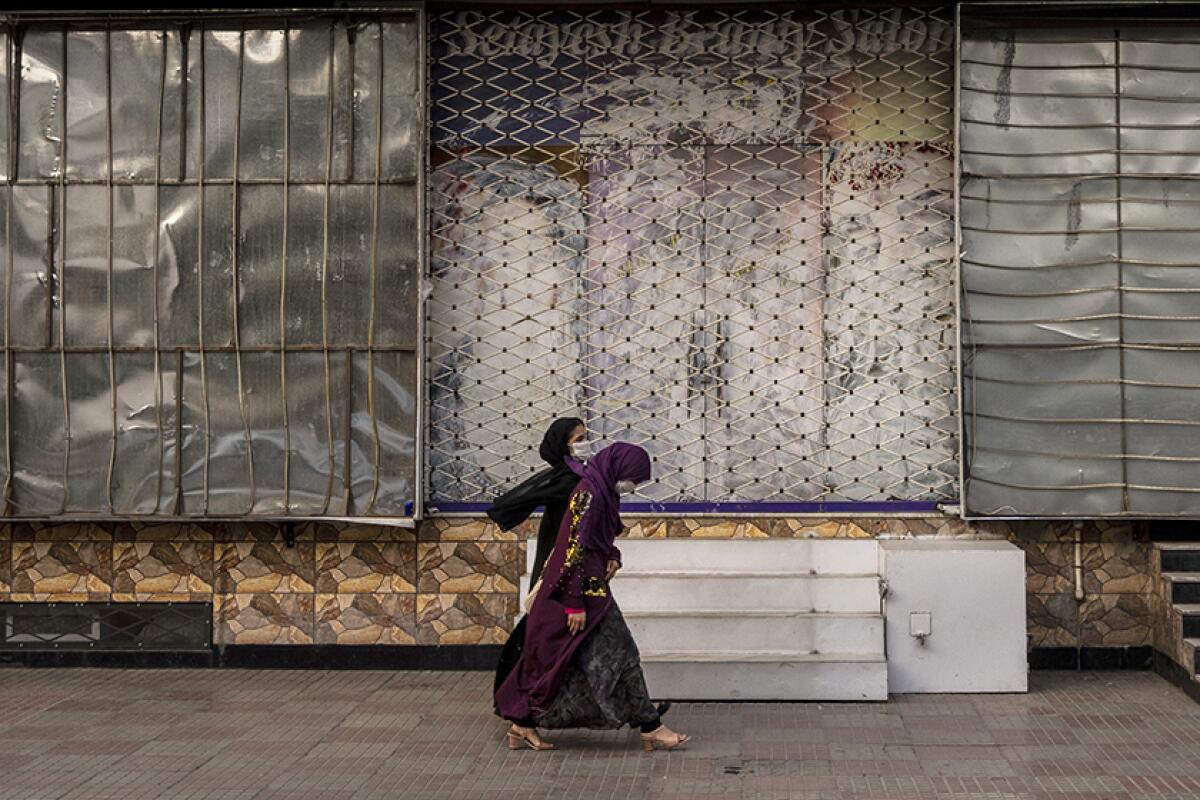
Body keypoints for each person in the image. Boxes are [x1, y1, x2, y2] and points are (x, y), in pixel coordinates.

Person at [494, 443, 690, 753]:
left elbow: (598, 539)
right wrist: (574, 604)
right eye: (632, 478)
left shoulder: (602, 490)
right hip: (578, 596)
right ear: (618, 468)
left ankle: (523, 725)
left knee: (574, 660)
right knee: (612, 655)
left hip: (592, 593)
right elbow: (575, 549)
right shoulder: (589, 493)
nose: (632, 486)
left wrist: (613, 555)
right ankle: (651, 727)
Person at [488, 418, 587, 698]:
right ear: (563, 445)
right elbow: (521, 498)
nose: (585, 445)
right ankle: (519, 701)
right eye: (578, 440)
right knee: (543, 631)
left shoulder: (577, 474)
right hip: (558, 563)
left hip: (570, 562)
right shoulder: (566, 478)